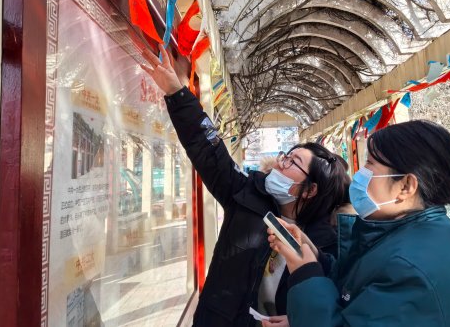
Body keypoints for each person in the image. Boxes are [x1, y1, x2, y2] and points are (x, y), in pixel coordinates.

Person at [142, 46, 349, 327]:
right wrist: (177, 94)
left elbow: (340, 305)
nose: (281, 163)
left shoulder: (325, 244)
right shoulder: (248, 195)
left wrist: (300, 321)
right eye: (286, 155)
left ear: (310, 190)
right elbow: (209, 150)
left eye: (293, 162)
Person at [268, 120, 450, 327]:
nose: (359, 176)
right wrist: (317, 258)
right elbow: (360, 290)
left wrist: (306, 275)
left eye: (370, 165)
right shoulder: (411, 234)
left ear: (406, 186)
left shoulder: (409, 268)